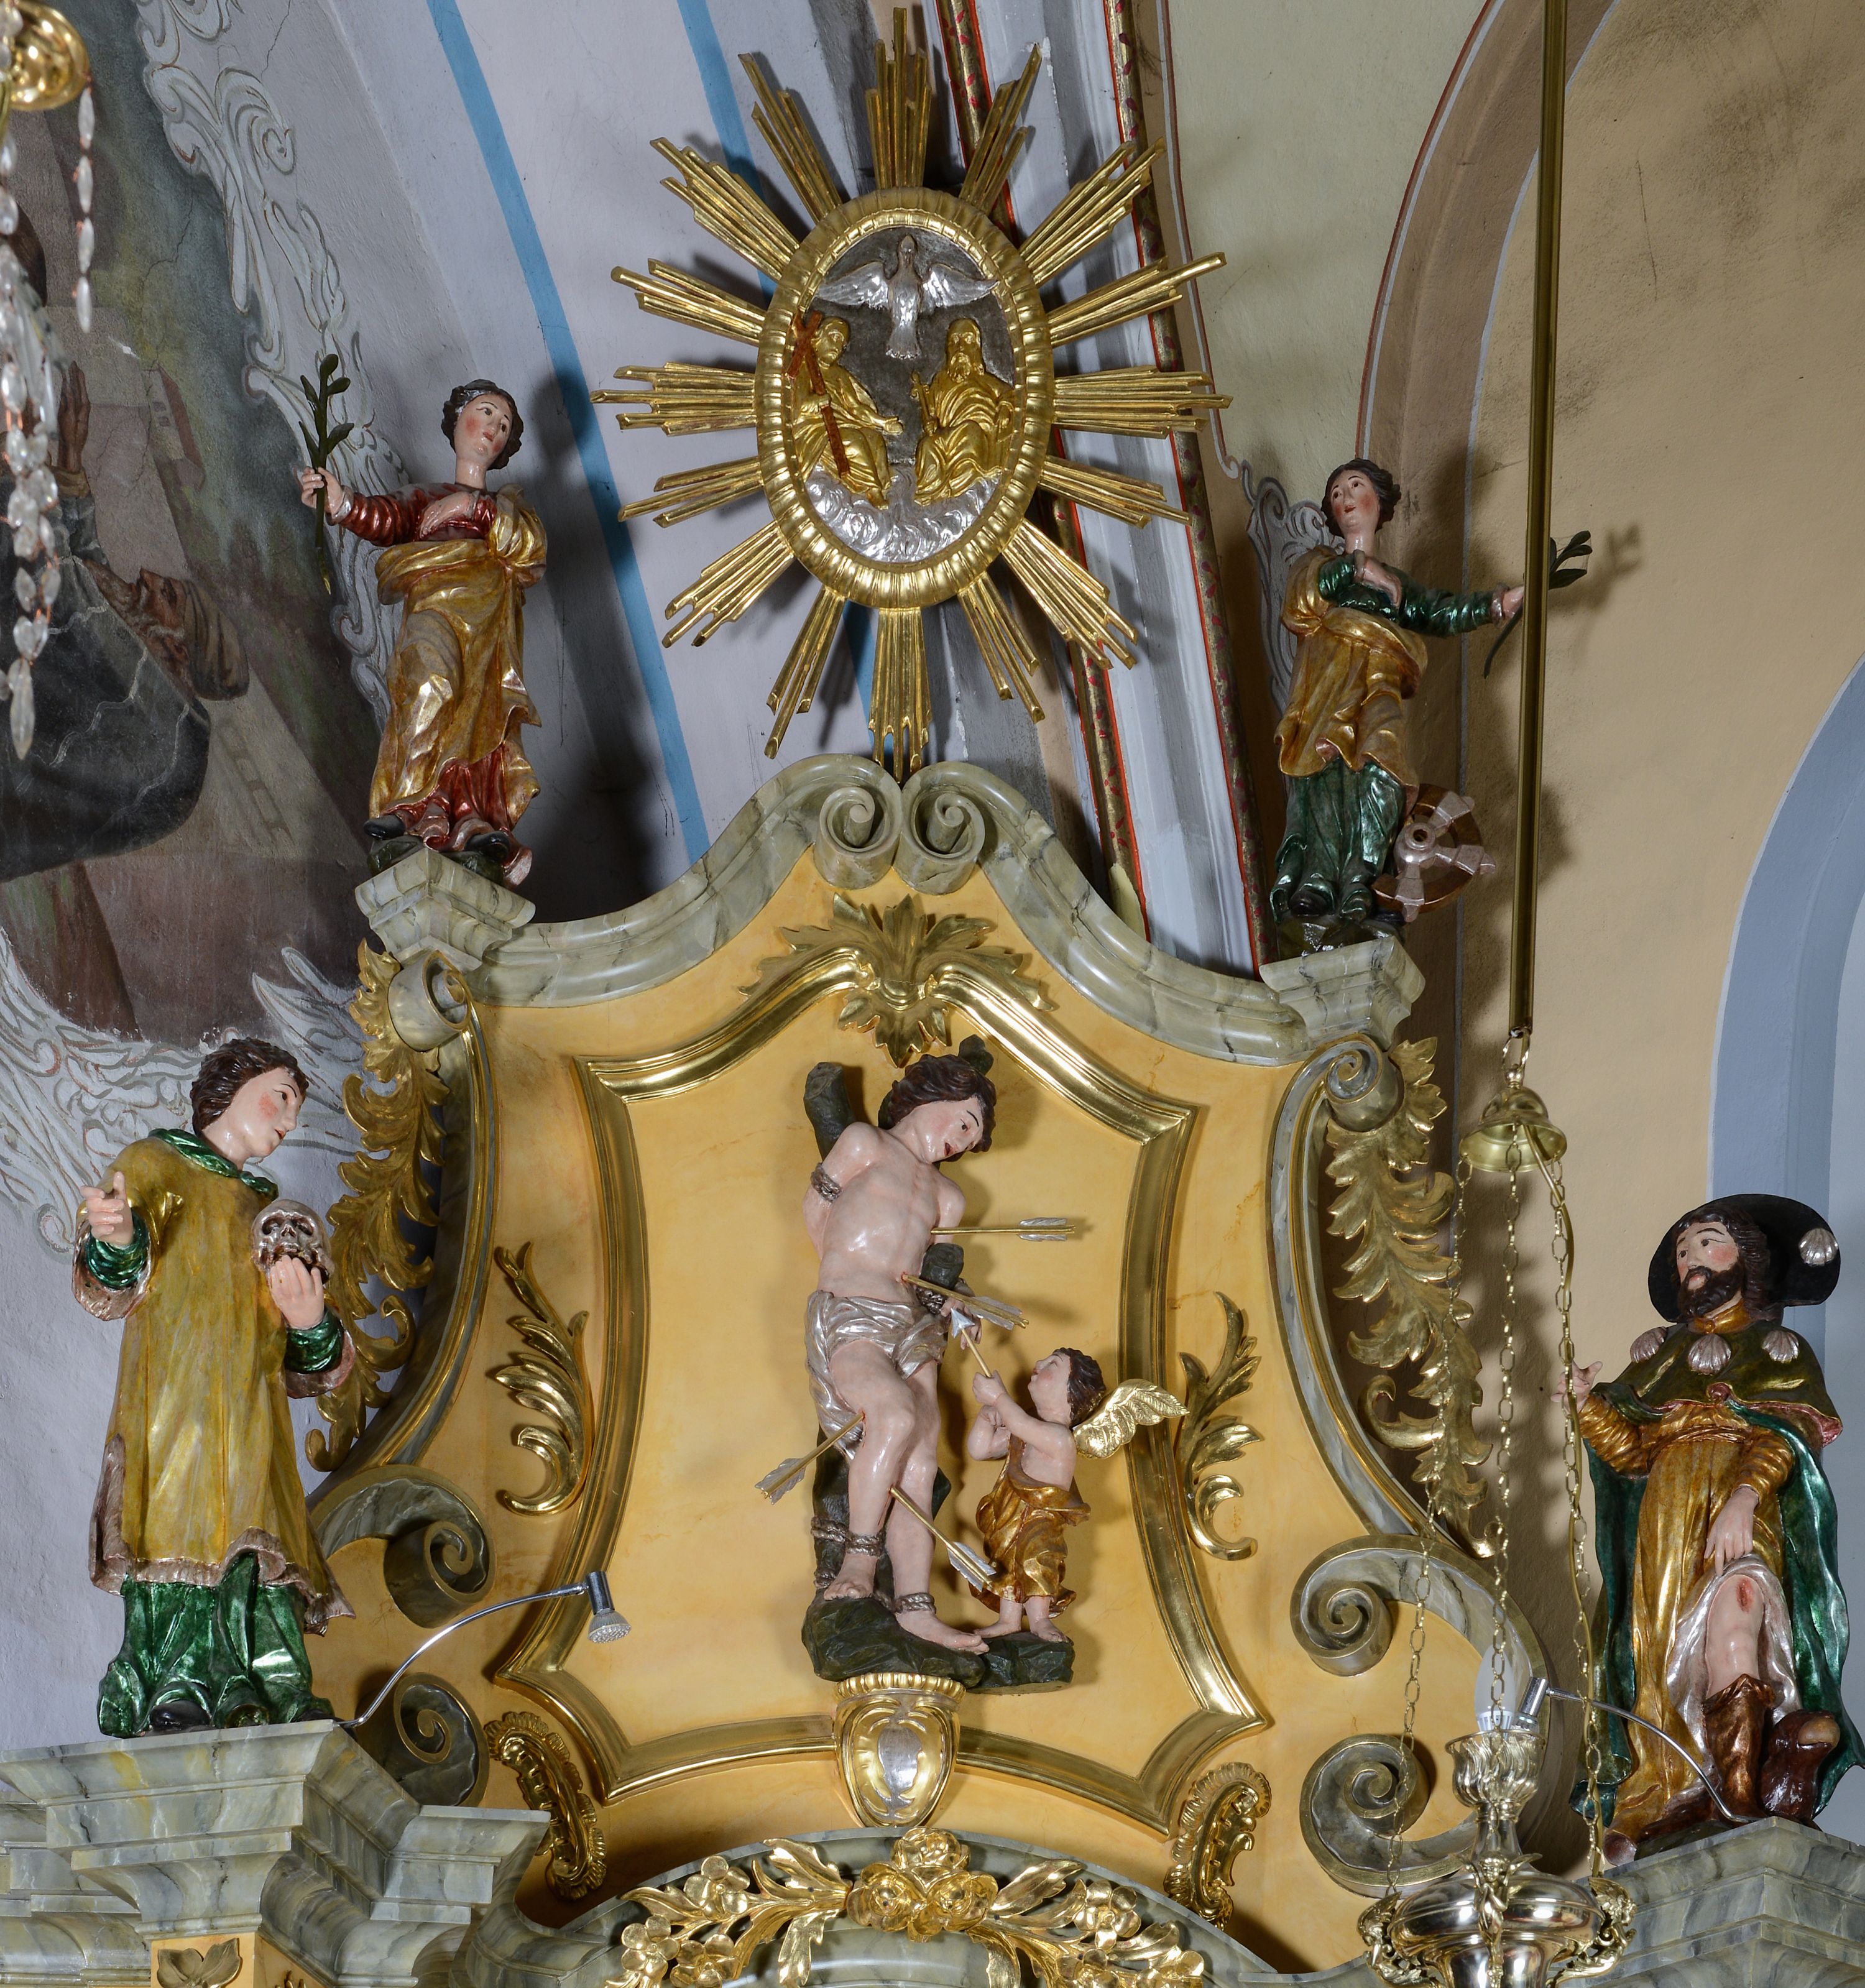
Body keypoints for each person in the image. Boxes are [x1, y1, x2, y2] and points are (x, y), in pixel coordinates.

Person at [1569, 1196, 1863, 1860]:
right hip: (1668, 1515)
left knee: (1738, 1614)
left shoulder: (1777, 1349)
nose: (1691, 1260)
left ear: (1746, 1261)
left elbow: (1785, 1435)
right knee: (1663, 1653)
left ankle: (1738, 1790)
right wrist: (1588, 1406)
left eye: (1706, 1243)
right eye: (1683, 1251)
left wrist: (1744, 1499)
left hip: (1742, 1508)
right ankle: (1677, 1789)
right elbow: (1632, 1454)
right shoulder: (1660, 1356)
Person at [75, 1037, 353, 1734]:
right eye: (280, 1098)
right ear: (232, 1087)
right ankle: (178, 1682)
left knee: (258, 1534)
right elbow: (117, 1276)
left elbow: (308, 1363)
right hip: (176, 1404)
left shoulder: (270, 1215)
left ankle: (270, 1683)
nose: (289, 1121)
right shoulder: (156, 1164)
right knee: (178, 1524)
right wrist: (115, 1237)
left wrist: (308, 1318)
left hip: (254, 1416)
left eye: (296, 1108)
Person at [297, 379, 544, 885]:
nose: (493, 428)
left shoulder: (510, 506)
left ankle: (466, 816)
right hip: (434, 605)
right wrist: (340, 503)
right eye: (486, 412)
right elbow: (387, 518)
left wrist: (471, 508)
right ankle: (410, 804)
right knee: (430, 684)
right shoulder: (426, 496)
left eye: (503, 425)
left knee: (478, 711)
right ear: (457, 421)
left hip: (488, 623)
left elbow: (530, 550)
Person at [1271, 459, 1523, 926]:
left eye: (1356, 486)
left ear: (1379, 502)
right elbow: (1305, 599)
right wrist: (1363, 570)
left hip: (1378, 683)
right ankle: (1318, 881)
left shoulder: (1399, 585)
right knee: (1327, 775)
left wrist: (1497, 605)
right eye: (1336, 494)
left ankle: (1362, 879)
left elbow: (1439, 612)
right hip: (1327, 686)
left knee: (1382, 771)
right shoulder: (1320, 564)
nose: (1346, 498)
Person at [803, 1048, 995, 1654]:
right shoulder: (865, 1144)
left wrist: (956, 1303)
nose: (959, 1143)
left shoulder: (949, 1198)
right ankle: (858, 1563)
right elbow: (817, 1210)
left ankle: (915, 1607)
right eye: (964, 1123)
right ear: (936, 1095)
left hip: (913, 1326)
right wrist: (844, 1273)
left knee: (920, 1462)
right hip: (853, 1312)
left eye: (970, 1140)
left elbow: (931, 1270)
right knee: (891, 1417)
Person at [965, 1348, 1103, 1642]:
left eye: (1053, 1364)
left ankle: (1041, 1621)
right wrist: (987, 1417)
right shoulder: (1023, 1427)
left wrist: (999, 1398)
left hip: (1041, 1519)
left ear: (1071, 1392)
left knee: (1036, 1561)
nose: (1039, 1363)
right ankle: (1008, 1620)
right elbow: (980, 1450)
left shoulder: (1060, 1437)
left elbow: (1020, 1425)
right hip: (1010, 1513)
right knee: (1008, 1564)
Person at [790, 315, 900, 508]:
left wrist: (883, 423)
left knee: (875, 439)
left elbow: (856, 407)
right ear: (818, 337)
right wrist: (817, 401)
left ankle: (883, 484)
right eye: (834, 337)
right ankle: (872, 489)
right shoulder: (804, 369)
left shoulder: (839, 375)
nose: (838, 346)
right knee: (854, 440)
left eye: (842, 343)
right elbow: (799, 406)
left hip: (842, 424)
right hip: (817, 429)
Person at [912, 318, 1014, 504]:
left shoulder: (984, 380)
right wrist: (930, 423)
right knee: (927, 446)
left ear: (977, 349)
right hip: (947, 435)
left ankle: (961, 488)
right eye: (954, 341)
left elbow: (1008, 393)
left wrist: (1005, 409)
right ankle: (932, 493)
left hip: (980, 433)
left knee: (970, 432)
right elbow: (931, 413)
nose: (960, 347)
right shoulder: (940, 381)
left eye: (967, 340)